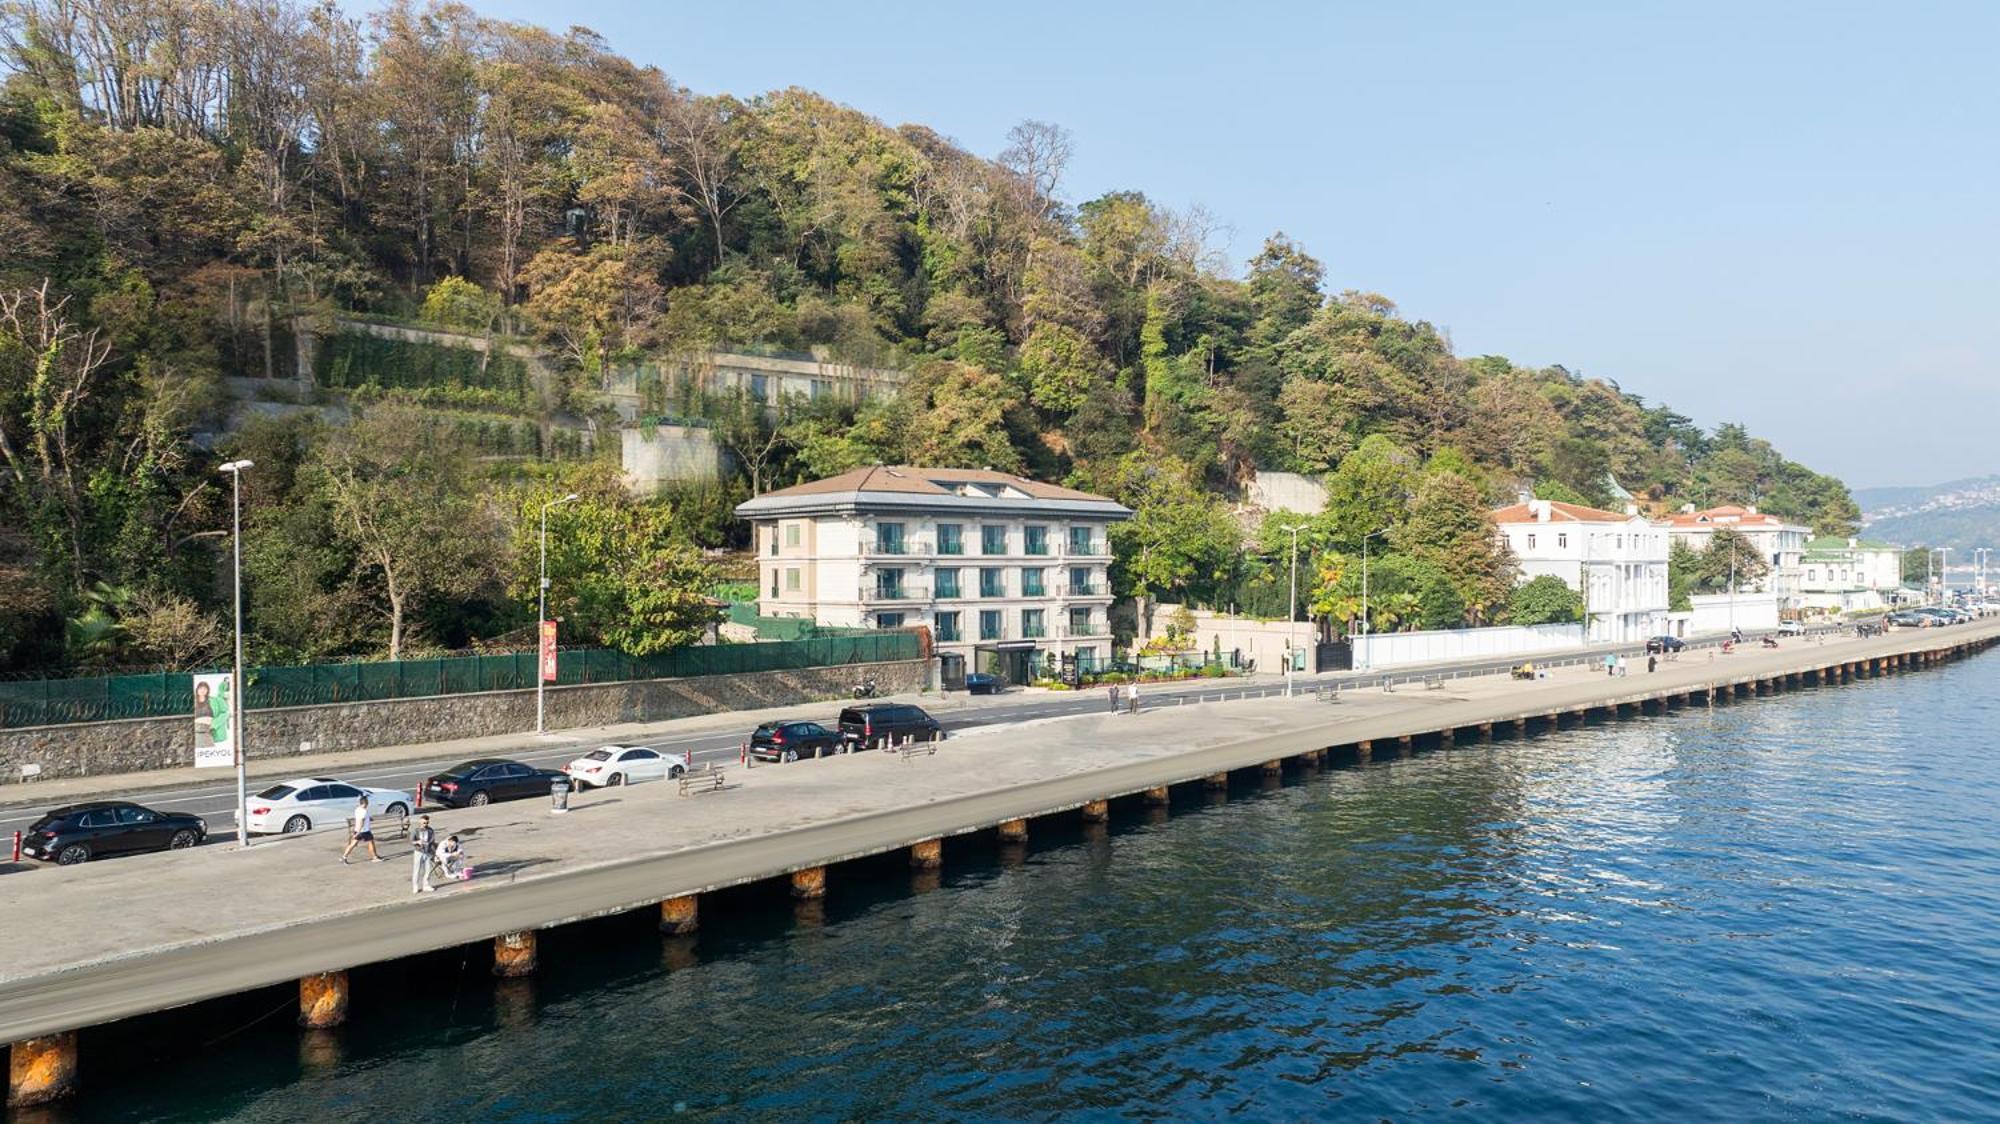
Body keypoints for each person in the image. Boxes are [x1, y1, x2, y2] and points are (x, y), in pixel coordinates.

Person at [340, 794, 383, 864]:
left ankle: (344, 857)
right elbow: (361, 822)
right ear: (364, 803)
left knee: (352, 844)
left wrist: (369, 819)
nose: (368, 804)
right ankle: (374, 857)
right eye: (367, 802)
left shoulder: (357, 809)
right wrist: (358, 833)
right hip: (364, 831)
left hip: (357, 830)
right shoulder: (364, 811)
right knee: (371, 843)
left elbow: (362, 818)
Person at [411, 815, 438, 894]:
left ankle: (426, 885)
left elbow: (432, 841)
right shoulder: (416, 830)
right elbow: (411, 841)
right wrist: (417, 842)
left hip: (427, 852)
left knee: (428, 869)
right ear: (420, 822)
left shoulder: (430, 830)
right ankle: (415, 886)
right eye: (423, 823)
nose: (425, 824)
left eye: (426, 823)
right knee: (417, 870)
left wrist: (434, 852)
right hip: (419, 851)